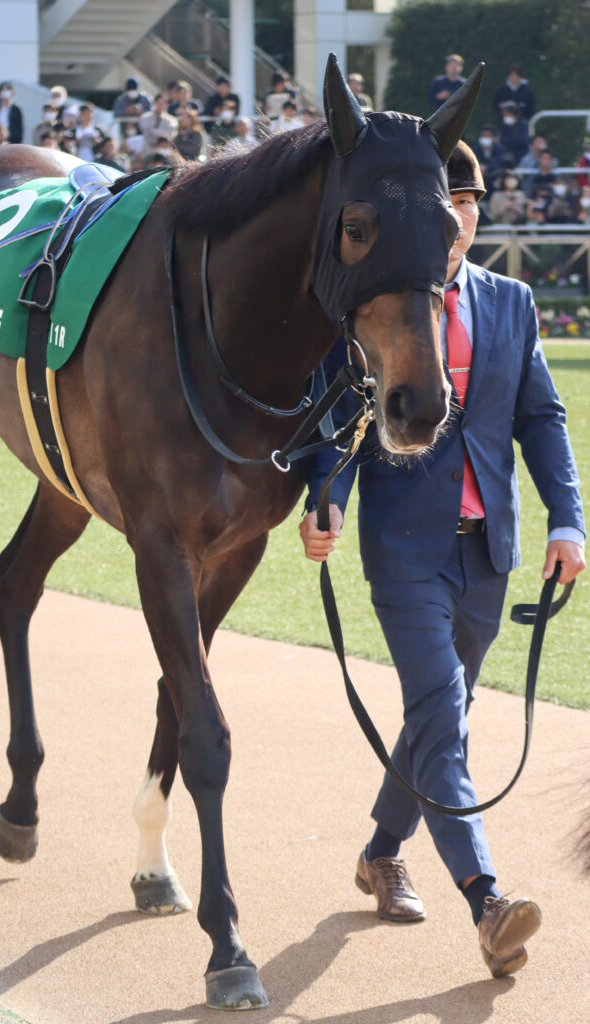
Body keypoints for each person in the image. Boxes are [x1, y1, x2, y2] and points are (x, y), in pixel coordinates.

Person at [299, 142, 585, 978]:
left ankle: (379, 851)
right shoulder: (374, 307)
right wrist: (329, 503)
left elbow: (541, 417)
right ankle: (487, 901)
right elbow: (346, 419)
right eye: (445, 198)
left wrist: (566, 521)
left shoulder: (511, 302)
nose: (458, 212)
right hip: (405, 550)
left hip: (489, 551)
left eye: (469, 199)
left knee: (434, 719)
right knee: (441, 712)